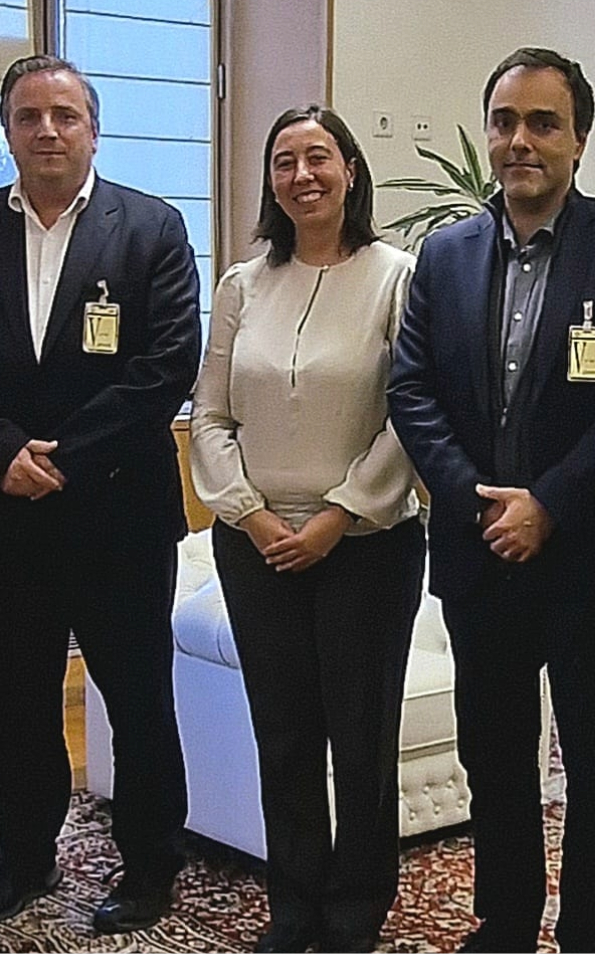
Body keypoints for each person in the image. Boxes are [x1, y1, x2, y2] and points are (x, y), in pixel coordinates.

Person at [387, 47, 595, 953]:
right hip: (481, 554)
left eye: (544, 123)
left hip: (588, 559)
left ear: (579, 140)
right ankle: (506, 921)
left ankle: (591, 928)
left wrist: (548, 502)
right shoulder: (444, 254)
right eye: (505, 121)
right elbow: (411, 388)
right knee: (495, 756)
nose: (521, 140)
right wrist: (476, 499)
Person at [0, 54, 202, 934]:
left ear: (93, 130)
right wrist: (0, 451)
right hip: (9, 515)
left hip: (118, 512)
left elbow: (167, 368)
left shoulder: (151, 228)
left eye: (65, 115)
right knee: (17, 700)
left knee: (138, 700)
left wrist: (65, 456)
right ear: (5, 129)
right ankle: (24, 859)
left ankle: (150, 867)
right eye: (29, 116)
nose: (47, 130)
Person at [189, 105, 424, 954]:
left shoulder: (399, 277)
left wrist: (338, 514)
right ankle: (293, 907)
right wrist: (250, 514)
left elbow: (410, 413)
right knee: (282, 735)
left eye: (318, 157)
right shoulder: (241, 284)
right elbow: (210, 414)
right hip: (256, 547)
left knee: (361, 740)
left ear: (350, 170)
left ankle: (357, 911)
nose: (302, 175)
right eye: (284, 161)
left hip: (366, 546)